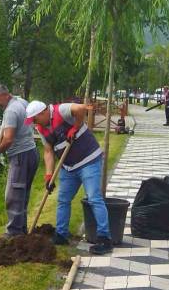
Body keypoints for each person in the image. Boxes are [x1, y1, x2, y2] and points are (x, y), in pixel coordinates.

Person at [24, 100, 113, 255]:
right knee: (63, 200)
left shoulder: (61, 111)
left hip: (88, 161)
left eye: (35, 119)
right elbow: (48, 151)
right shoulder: (41, 128)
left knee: (93, 198)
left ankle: (105, 238)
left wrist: (75, 127)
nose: (34, 123)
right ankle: (61, 235)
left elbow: (80, 108)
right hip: (69, 167)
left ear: (43, 112)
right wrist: (49, 175)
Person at [0, 84, 39, 237]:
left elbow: (9, 139)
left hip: (20, 157)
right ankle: (21, 228)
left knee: (13, 195)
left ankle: (14, 232)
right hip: (32, 152)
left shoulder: (10, 111)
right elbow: (27, 126)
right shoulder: (22, 102)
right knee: (23, 193)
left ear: (5, 95)